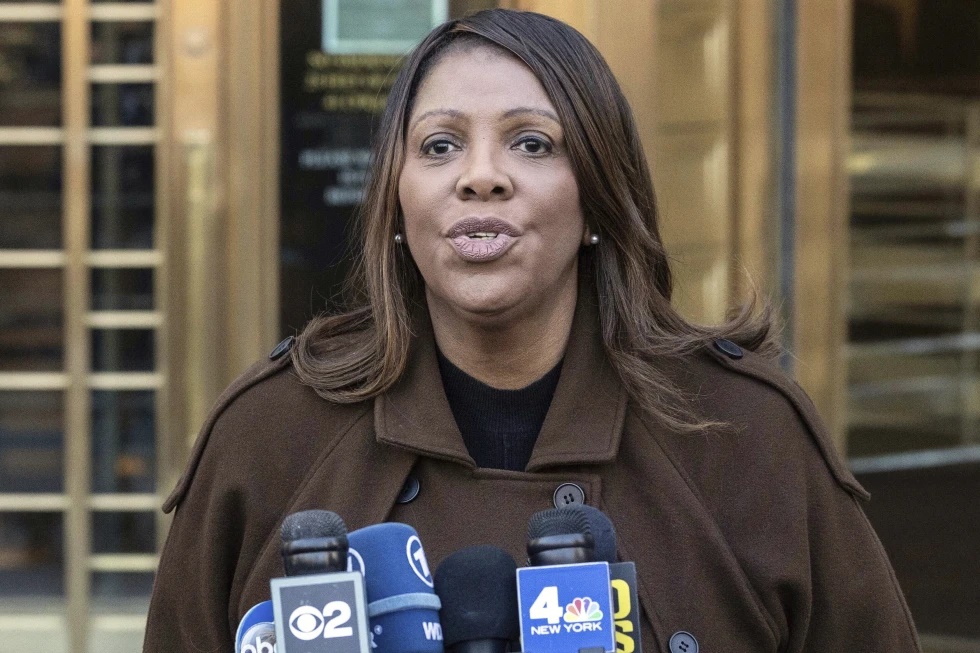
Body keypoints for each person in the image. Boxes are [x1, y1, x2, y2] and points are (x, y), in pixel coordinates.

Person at [144, 9, 921, 652]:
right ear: (397, 203)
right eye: (440, 145)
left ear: (599, 196)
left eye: (532, 142)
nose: (481, 175)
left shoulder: (743, 434)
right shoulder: (270, 436)